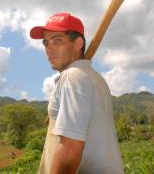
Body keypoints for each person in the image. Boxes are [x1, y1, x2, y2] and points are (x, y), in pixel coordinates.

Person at [30, 12, 124, 174]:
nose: (49, 49)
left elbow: (70, 148)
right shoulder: (94, 78)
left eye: (57, 40)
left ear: (78, 43)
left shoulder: (73, 77)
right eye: (46, 43)